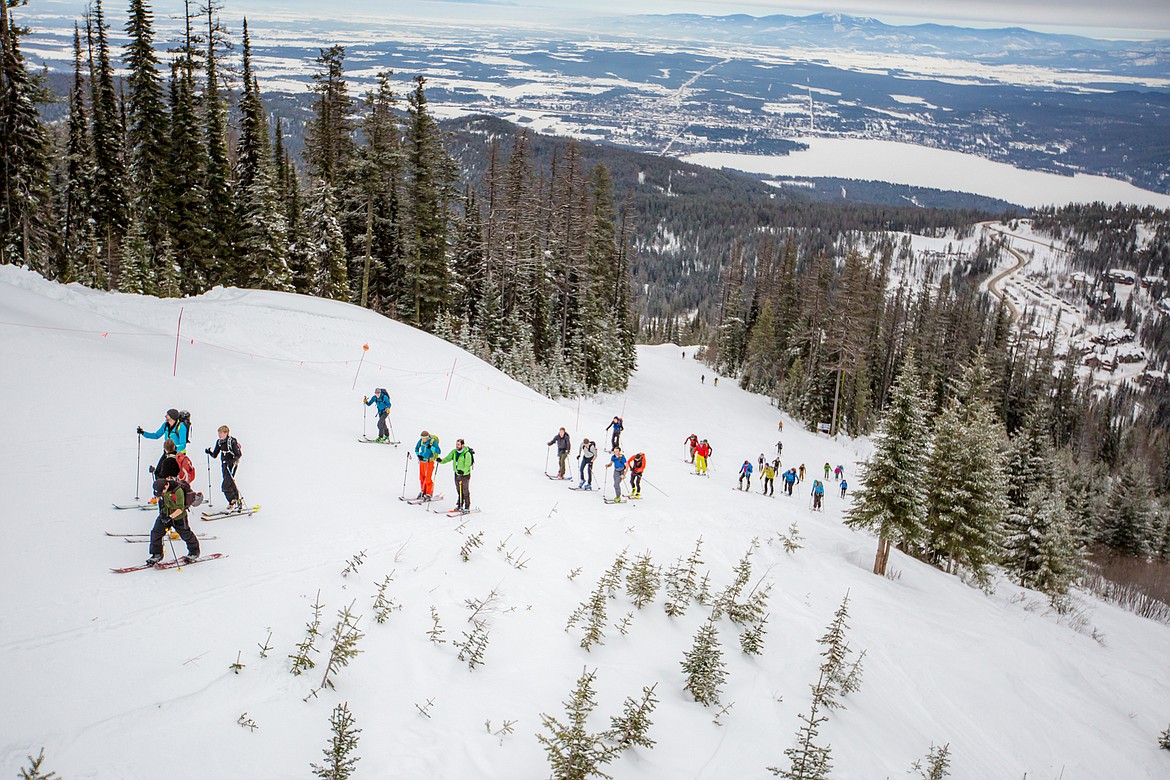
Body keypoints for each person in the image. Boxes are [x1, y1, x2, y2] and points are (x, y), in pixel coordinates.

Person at [145, 478, 200, 565]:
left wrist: (170, 518)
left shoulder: (178, 491)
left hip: (179, 517)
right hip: (165, 514)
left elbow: (180, 508)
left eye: (162, 491)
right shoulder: (162, 489)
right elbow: (159, 497)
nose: (161, 494)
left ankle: (194, 552)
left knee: (186, 534)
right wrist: (162, 512)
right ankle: (157, 554)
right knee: (156, 532)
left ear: (166, 486)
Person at [139, 408, 188, 478]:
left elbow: (183, 445)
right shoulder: (165, 425)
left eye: (167, 415)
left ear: (172, 417)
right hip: (167, 452)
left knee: (173, 474)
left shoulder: (181, 427)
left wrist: (173, 448)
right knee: (159, 472)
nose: (165, 416)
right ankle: (161, 485)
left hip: (179, 455)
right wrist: (143, 433)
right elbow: (156, 435)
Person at [206, 425, 244, 510]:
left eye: (221, 433)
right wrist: (209, 452)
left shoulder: (232, 442)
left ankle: (232, 501)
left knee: (226, 486)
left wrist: (230, 461)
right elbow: (215, 454)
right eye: (218, 433)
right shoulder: (219, 442)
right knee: (230, 482)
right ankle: (236, 500)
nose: (219, 435)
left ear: (226, 433)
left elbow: (238, 455)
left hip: (232, 464)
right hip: (224, 464)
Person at [437, 438, 474, 513]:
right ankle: (460, 505)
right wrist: (441, 461)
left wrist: (463, 471)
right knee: (458, 490)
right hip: (457, 474)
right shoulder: (454, 452)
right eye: (456, 444)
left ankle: (467, 507)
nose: (457, 446)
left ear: (462, 445)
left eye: (458, 444)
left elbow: (468, 464)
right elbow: (448, 458)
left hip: (465, 475)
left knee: (465, 491)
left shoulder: (467, 453)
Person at [414, 431, 442, 501]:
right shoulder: (421, 441)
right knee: (421, 477)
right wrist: (418, 455)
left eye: (425, 438)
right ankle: (423, 491)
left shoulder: (432, 442)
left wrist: (431, 447)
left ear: (428, 437)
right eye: (422, 438)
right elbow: (416, 448)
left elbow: (438, 451)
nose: (424, 440)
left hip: (429, 461)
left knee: (428, 478)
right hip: (422, 461)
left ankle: (429, 493)